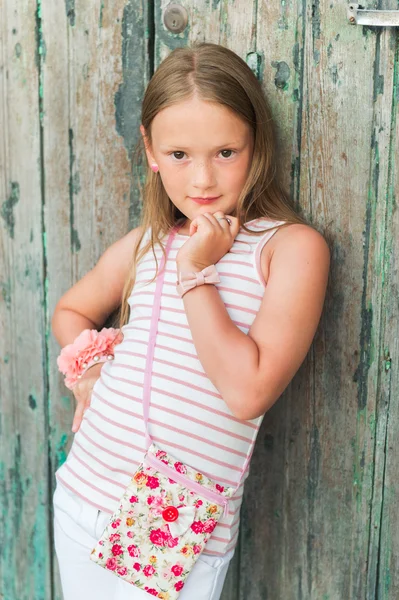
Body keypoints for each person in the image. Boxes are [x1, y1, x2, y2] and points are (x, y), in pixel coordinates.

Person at [51, 42, 330, 600]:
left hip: (171, 518)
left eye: (226, 151)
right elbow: (71, 310)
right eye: (179, 154)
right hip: (84, 490)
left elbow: (247, 391)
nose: (202, 179)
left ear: (257, 144)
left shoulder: (288, 249)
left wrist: (196, 273)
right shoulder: (149, 244)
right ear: (150, 149)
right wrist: (87, 371)